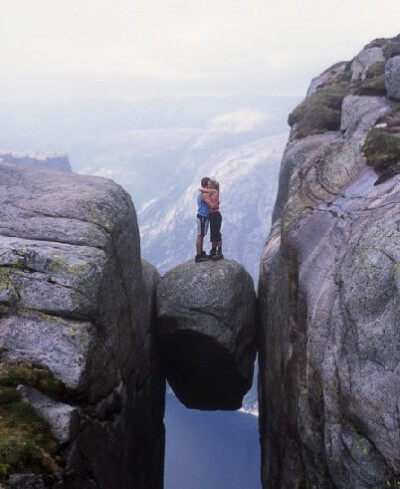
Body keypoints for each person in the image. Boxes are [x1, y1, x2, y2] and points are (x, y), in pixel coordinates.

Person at [199, 178, 223, 261]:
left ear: (213, 186)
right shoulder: (211, 192)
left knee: (217, 234)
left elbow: (201, 189)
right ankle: (213, 251)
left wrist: (213, 205)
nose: (208, 186)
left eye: (209, 184)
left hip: (215, 215)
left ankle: (219, 252)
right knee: (213, 234)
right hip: (212, 215)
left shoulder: (215, 191)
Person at [195, 176, 212, 263]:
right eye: (209, 183)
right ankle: (199, 255)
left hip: (203, 217)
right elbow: (210, 204)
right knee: (200, 235)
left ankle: (200, 252)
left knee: (201, 235)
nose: (210, 185)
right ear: (206, 185)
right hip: (203, 217)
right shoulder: (204, 194)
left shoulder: (204, 192)